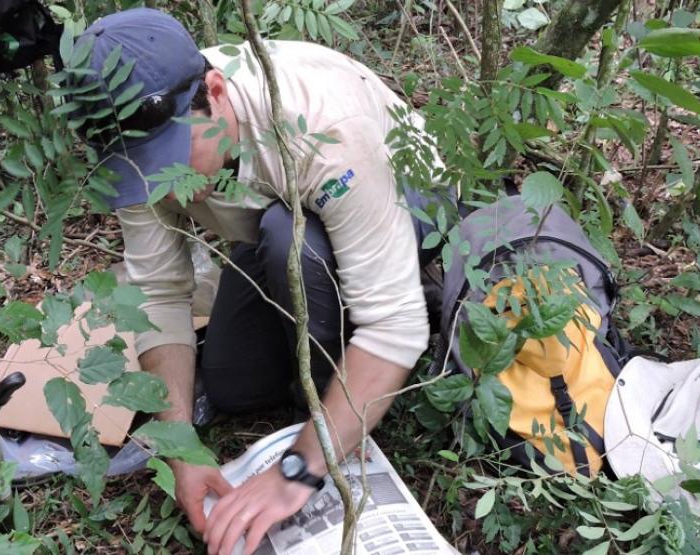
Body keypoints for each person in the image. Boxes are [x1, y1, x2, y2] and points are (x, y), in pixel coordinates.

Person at [75, 8, 449, 555]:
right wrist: (182, 449)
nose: (165, 187)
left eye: (173, 160)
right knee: (231, 385)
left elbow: (394, 324)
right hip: (271, 223)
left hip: (405, 197)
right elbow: (158, 293)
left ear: (216, 90)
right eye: (143, 171)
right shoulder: (137, 153)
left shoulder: (323, 124)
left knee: (288, 238)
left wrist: (299, 468)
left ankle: (341, 391)